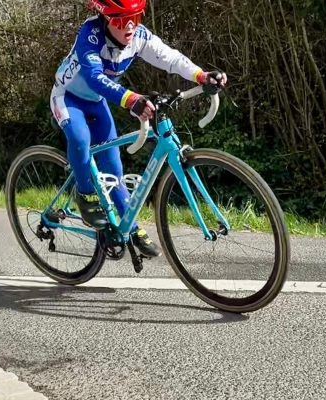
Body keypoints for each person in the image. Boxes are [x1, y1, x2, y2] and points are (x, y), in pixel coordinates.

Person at [49, 0, 227, 258]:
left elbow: (170, 57)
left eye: (136, 17)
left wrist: (200, 75)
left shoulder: (138, 36)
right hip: (68, 98)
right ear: (106, 18)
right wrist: (131, 99)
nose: (130, 27)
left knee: (113, 168)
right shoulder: (91, 34)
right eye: (122, 20)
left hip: (96, 102)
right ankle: (85, 195)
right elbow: (94, 78)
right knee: (79, 139)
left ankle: (130, 228)